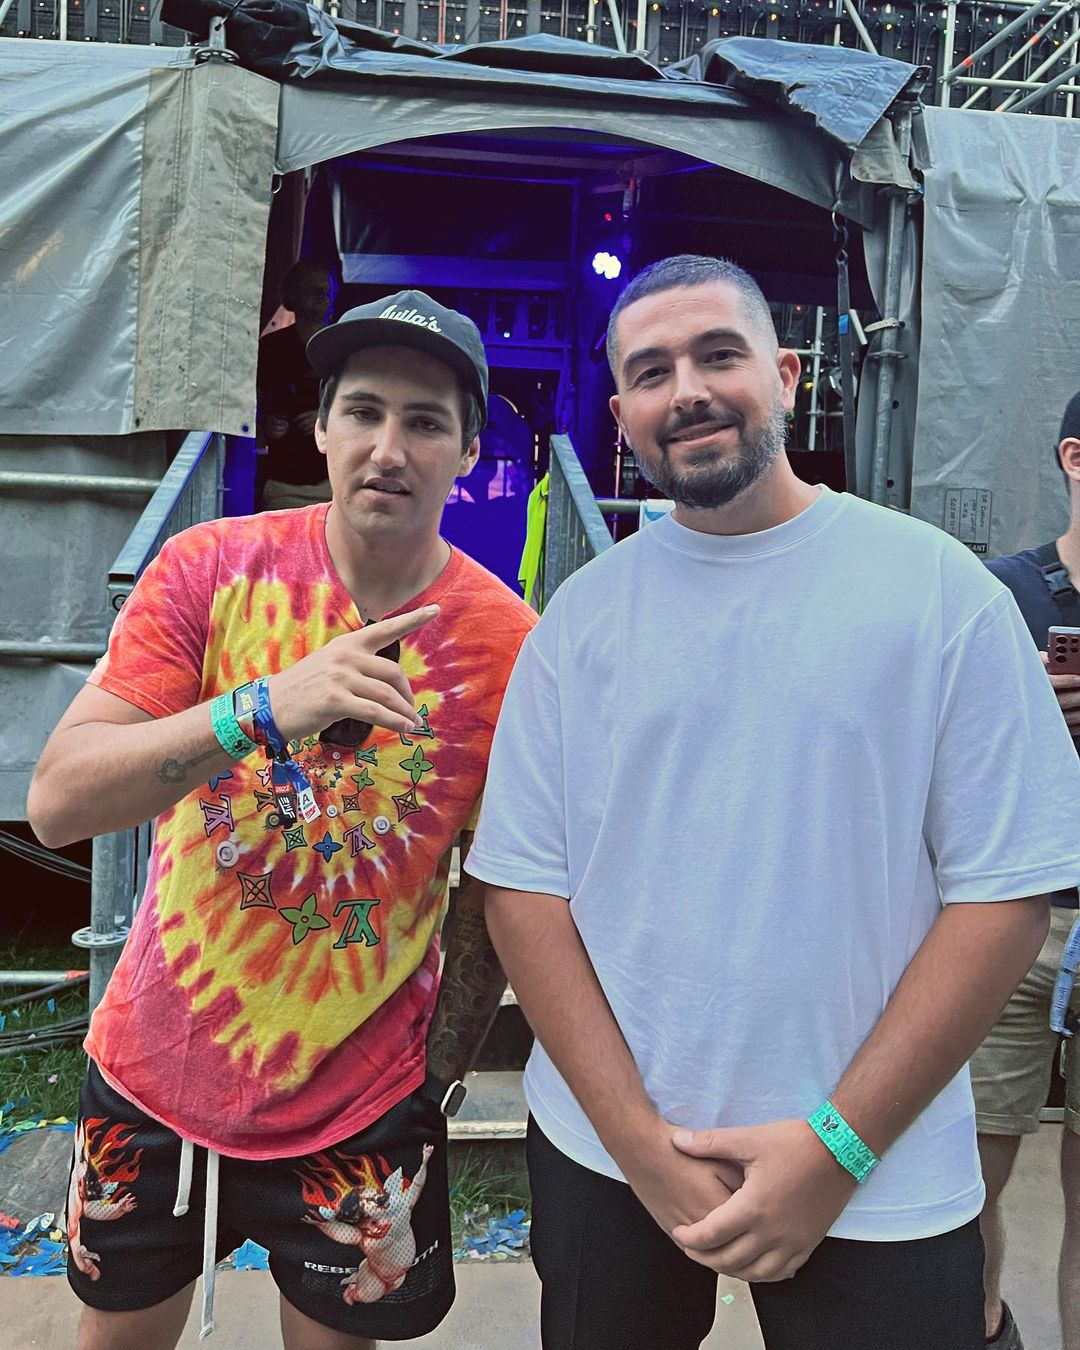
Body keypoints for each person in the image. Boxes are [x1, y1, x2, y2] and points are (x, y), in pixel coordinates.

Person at [462, 254, 1080, 1350]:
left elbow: (1004, 897)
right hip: (610, 1153)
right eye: (651, 372)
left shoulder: (941, 594)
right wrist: (641, 1148)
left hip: (876, 1164)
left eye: (719, 354)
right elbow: (521, 891)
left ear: (787, 374)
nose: (688, 390)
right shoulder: (579, 623)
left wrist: (836, 1148)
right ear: (622, 415)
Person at [27, 288, 536, 1349]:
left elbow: (493, 893)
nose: (388, 448)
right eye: (363, 411)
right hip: (153, 1075)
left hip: (361, 1105)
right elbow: (60, 799)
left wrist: (435, 1081)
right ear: (320, 428)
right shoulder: (211, 569)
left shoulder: (508, 648)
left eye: (425, 421)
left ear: (468, 451)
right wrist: (260, 708)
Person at [970, 392, 1080, 1350]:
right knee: (967, 1181)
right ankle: (981, 1328)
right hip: (1014, 917)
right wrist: (1026, 710)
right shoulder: (1000, 594)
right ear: (1074, 459)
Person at [257, 259, 335, 510]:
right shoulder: (270, 349)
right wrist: (266, 424)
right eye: (313, 289)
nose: (322, 296)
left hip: (331, 480)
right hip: (282, 481)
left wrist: (324, 418)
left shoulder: (341, 347)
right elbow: (253, 405)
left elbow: (359, 405)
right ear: (293, 296)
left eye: (327, 290)